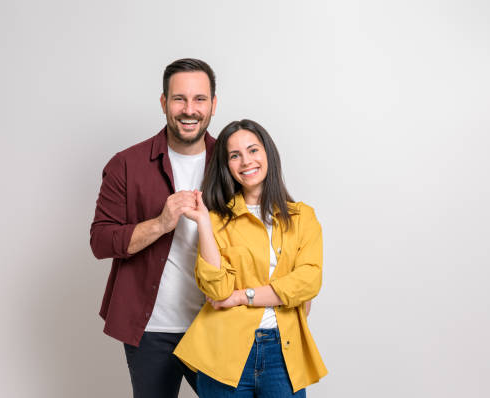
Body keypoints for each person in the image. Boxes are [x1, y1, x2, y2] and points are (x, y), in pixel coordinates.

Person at [90, 58, 218, 398]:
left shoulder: (232, 162)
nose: (189, 109)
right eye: (179, 99)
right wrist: (162, 223)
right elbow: (101, 241)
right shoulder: (126, 165)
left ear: (213, 104)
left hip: (217, 323)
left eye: (199, 99)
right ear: (164, 103)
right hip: (150, 331)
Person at [174, 119, 327, 397]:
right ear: (227, 166)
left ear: (268, 153)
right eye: (235, 155)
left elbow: (308, 282)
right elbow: (218, 290)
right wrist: (204, 224)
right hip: (224, 352)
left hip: (284, 351)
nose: (246, 161)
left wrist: (242, 296)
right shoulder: (217, 220)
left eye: (253, 150)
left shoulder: (303, 217)